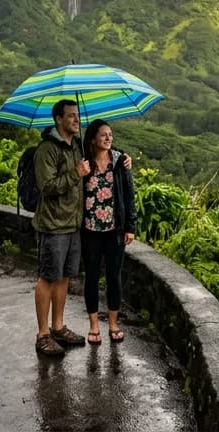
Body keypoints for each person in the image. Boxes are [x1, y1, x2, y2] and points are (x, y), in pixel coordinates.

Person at [31, 98, 90, 356]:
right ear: (58, 119)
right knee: (47, 278)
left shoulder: (76, 145)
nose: (76, 120)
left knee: (64, 276)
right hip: (53, 225)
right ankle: (43, 334)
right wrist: (76, 174)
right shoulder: (47, 149)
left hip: (72, 223)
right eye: (71, 116)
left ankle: (58, 326)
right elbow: (46, 186)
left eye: (77, 115)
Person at [80, 119, 137, 345]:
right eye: (103, 135)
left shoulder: (120, 161)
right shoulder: (84, 162)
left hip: (115, 230)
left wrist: (130, 226)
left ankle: (113, 324)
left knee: (114, 277)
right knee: (92, 277)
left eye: (110, 134)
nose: (108, 138)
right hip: (90, 230)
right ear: (93, 138)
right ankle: (94, 326)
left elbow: (129, 195)